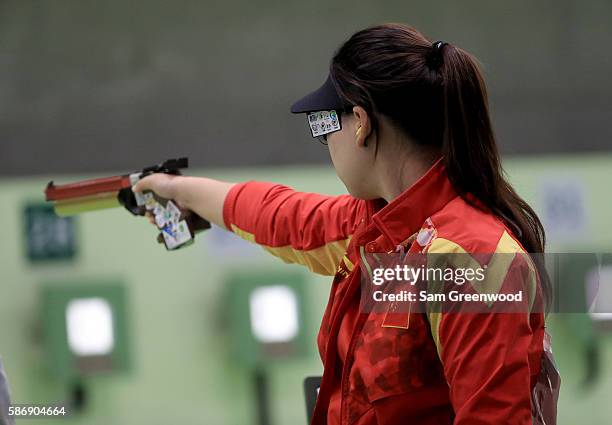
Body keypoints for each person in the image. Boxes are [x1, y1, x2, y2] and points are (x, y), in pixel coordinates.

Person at [133, 23, 559, 425]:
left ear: (361, 123)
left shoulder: (471, 259)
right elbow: (282, 217)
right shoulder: (382, 227)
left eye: (324, 127)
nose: (326, 144)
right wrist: (179, 191)